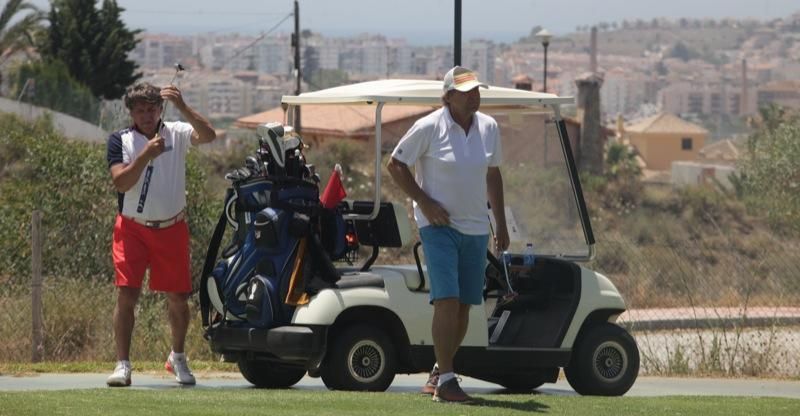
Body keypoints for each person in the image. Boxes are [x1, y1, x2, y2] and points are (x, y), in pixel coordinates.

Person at [387, 66, 509, 403]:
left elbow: (493, 175)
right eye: (467, 91)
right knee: (447, 299)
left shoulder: (489, 127)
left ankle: (441, 371)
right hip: (438, 227)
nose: (475, 96)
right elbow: (395, 165)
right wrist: (424, 203)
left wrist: (499, 223)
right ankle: (448, 383)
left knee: (465, 306)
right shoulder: (428, 127)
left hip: (475, 229)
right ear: (448, 96)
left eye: (477, 90)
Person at [105, 82, 217, 387]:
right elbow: (121, 183)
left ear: (160, 109)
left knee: (178, 299)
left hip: (172, 228)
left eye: (151, 109)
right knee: (127, 294)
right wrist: (144, 156)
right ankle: (123, 364)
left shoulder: (177, 131)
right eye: (139, 110)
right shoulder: (121, 140)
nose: (146, 115)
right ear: (131, 112)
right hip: (131, 228)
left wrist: (182, 106)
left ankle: (177, 357)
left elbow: (209, 135)